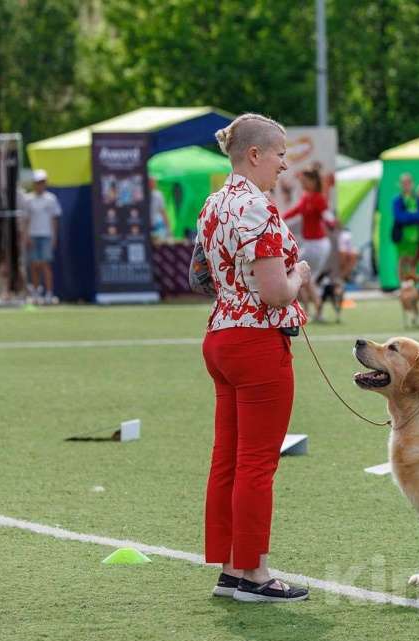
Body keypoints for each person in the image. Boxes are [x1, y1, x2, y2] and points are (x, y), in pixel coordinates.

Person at [197, 113, 310, 603]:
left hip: (220, 337)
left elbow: (201, 274)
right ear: (255, 155)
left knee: (227, 460)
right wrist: (300, 274)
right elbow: (277, 293)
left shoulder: (214, 204)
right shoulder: (257, 210)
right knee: (257, 464)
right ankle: (254, 573)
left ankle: (229, 568)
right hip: (257, 342)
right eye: (281, 154)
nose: (285, 165)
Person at [283, 168, 330, 317]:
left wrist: (332, 222)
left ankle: (313, 307)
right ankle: (313, 308)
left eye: (304, 181)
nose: (302, 183)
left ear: (313, 181)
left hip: (317, 244)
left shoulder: (318, 198)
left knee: (300, 274)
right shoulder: (306, 197)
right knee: (305, 278)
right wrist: (278, 217)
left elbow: (326, 215)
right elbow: (296, 210)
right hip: (311, 244)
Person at [21, 169, 62, 304]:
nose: (40, 185)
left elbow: (54, 220)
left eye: (42, 182)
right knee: (34, 266)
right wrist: (26, 236)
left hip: (46, 236)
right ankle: (36, 293)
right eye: (38, 182)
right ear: (34, 184)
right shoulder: (28, 199)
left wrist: (54, 237)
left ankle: (49, 293)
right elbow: (26, 220)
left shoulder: (51, 199)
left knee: (45, 265)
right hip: (33, 235)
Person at [391, 173, 419, 281]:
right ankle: (402, 285)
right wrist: (411, 216)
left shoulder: (417, 199)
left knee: (413, 260)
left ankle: (412, 284)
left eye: (408, 183)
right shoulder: (397, 200)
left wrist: (408, 216)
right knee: (402, 259)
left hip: (415, 235)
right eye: (404, 183)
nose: (406, 185)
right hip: (401, 236)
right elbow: (399, 217)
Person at [149, 176, 169, 243]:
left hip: (157, 226)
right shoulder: (142, 195)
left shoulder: (158, 195)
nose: (154, 184)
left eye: (154, 182)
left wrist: (168, 229)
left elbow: (163, 212)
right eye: (152, 182)